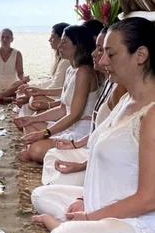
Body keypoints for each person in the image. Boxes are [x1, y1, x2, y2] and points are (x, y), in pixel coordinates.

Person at [31, 17, 155, 233]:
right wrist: (87, 199)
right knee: (42, 194)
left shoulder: (152, 113)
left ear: (140, 55)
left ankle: (67, 229)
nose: (102, 60)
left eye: (111, 53)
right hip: (104, 204)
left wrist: (89, 216)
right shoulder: (126, 100)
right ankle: (78, 225)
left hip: (138, 221)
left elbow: (148, 199)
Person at [41, 27, 126, 186]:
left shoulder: (120, 90)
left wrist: (81, 160)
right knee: (50, 157)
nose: (94, 54)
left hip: (95, 154)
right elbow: (100, 129)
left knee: (43, 191)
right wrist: (75, 145)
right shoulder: (110, 82)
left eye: (105, 51)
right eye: (98, 49)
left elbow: (79, 117)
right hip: (89, 146)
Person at [15, 25, 98, 162]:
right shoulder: (71, 70)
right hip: (69, 126)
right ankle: (37, 150)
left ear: (77, 45)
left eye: (64, 42)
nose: (59, 45)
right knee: (28, 124)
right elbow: (63, 109)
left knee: (35, 150)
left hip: (80, 131)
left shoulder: (84, 72)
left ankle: (36, 151)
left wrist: (44, 134)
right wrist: (32, 119)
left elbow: (74, 115)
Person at [17, 22, 70, 113]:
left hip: (60, 97)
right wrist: (31, 86)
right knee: (24, 94)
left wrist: (34, 93)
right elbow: (52, 80)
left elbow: (57, 86)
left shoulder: (66, 61)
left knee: (33, 100)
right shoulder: (60, 58)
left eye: (53, 37)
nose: (49, 40)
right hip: (57, 94)